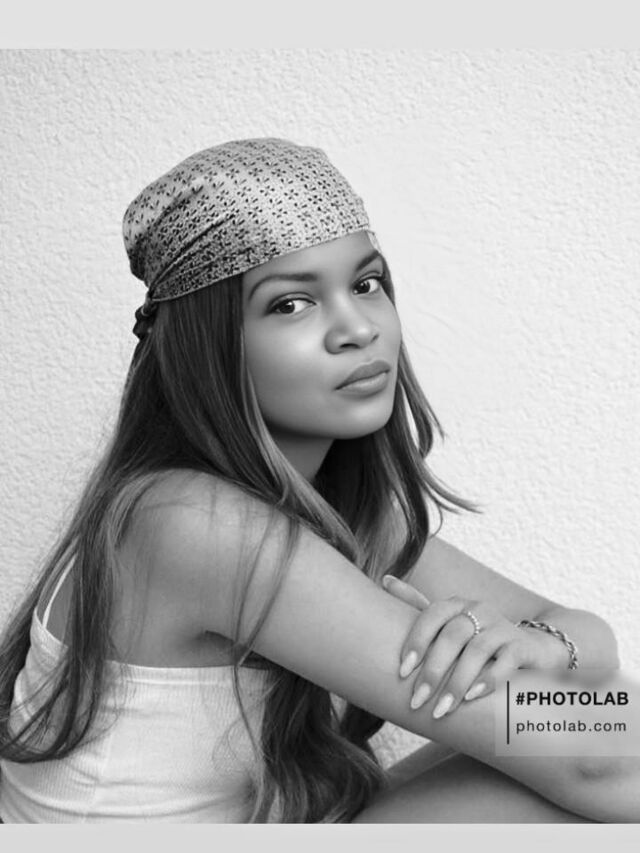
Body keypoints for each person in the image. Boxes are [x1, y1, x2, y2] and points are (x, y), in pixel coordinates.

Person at [0, 138, 634, 824]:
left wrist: (544, 645)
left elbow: (591, 642)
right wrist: (557, 691)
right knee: (583, 752)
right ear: (207, 347)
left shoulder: (338, 509)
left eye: (365, 285)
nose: (357, 328)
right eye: (291, 304)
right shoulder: (192, 523)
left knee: (578, 735)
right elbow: (600, 755)